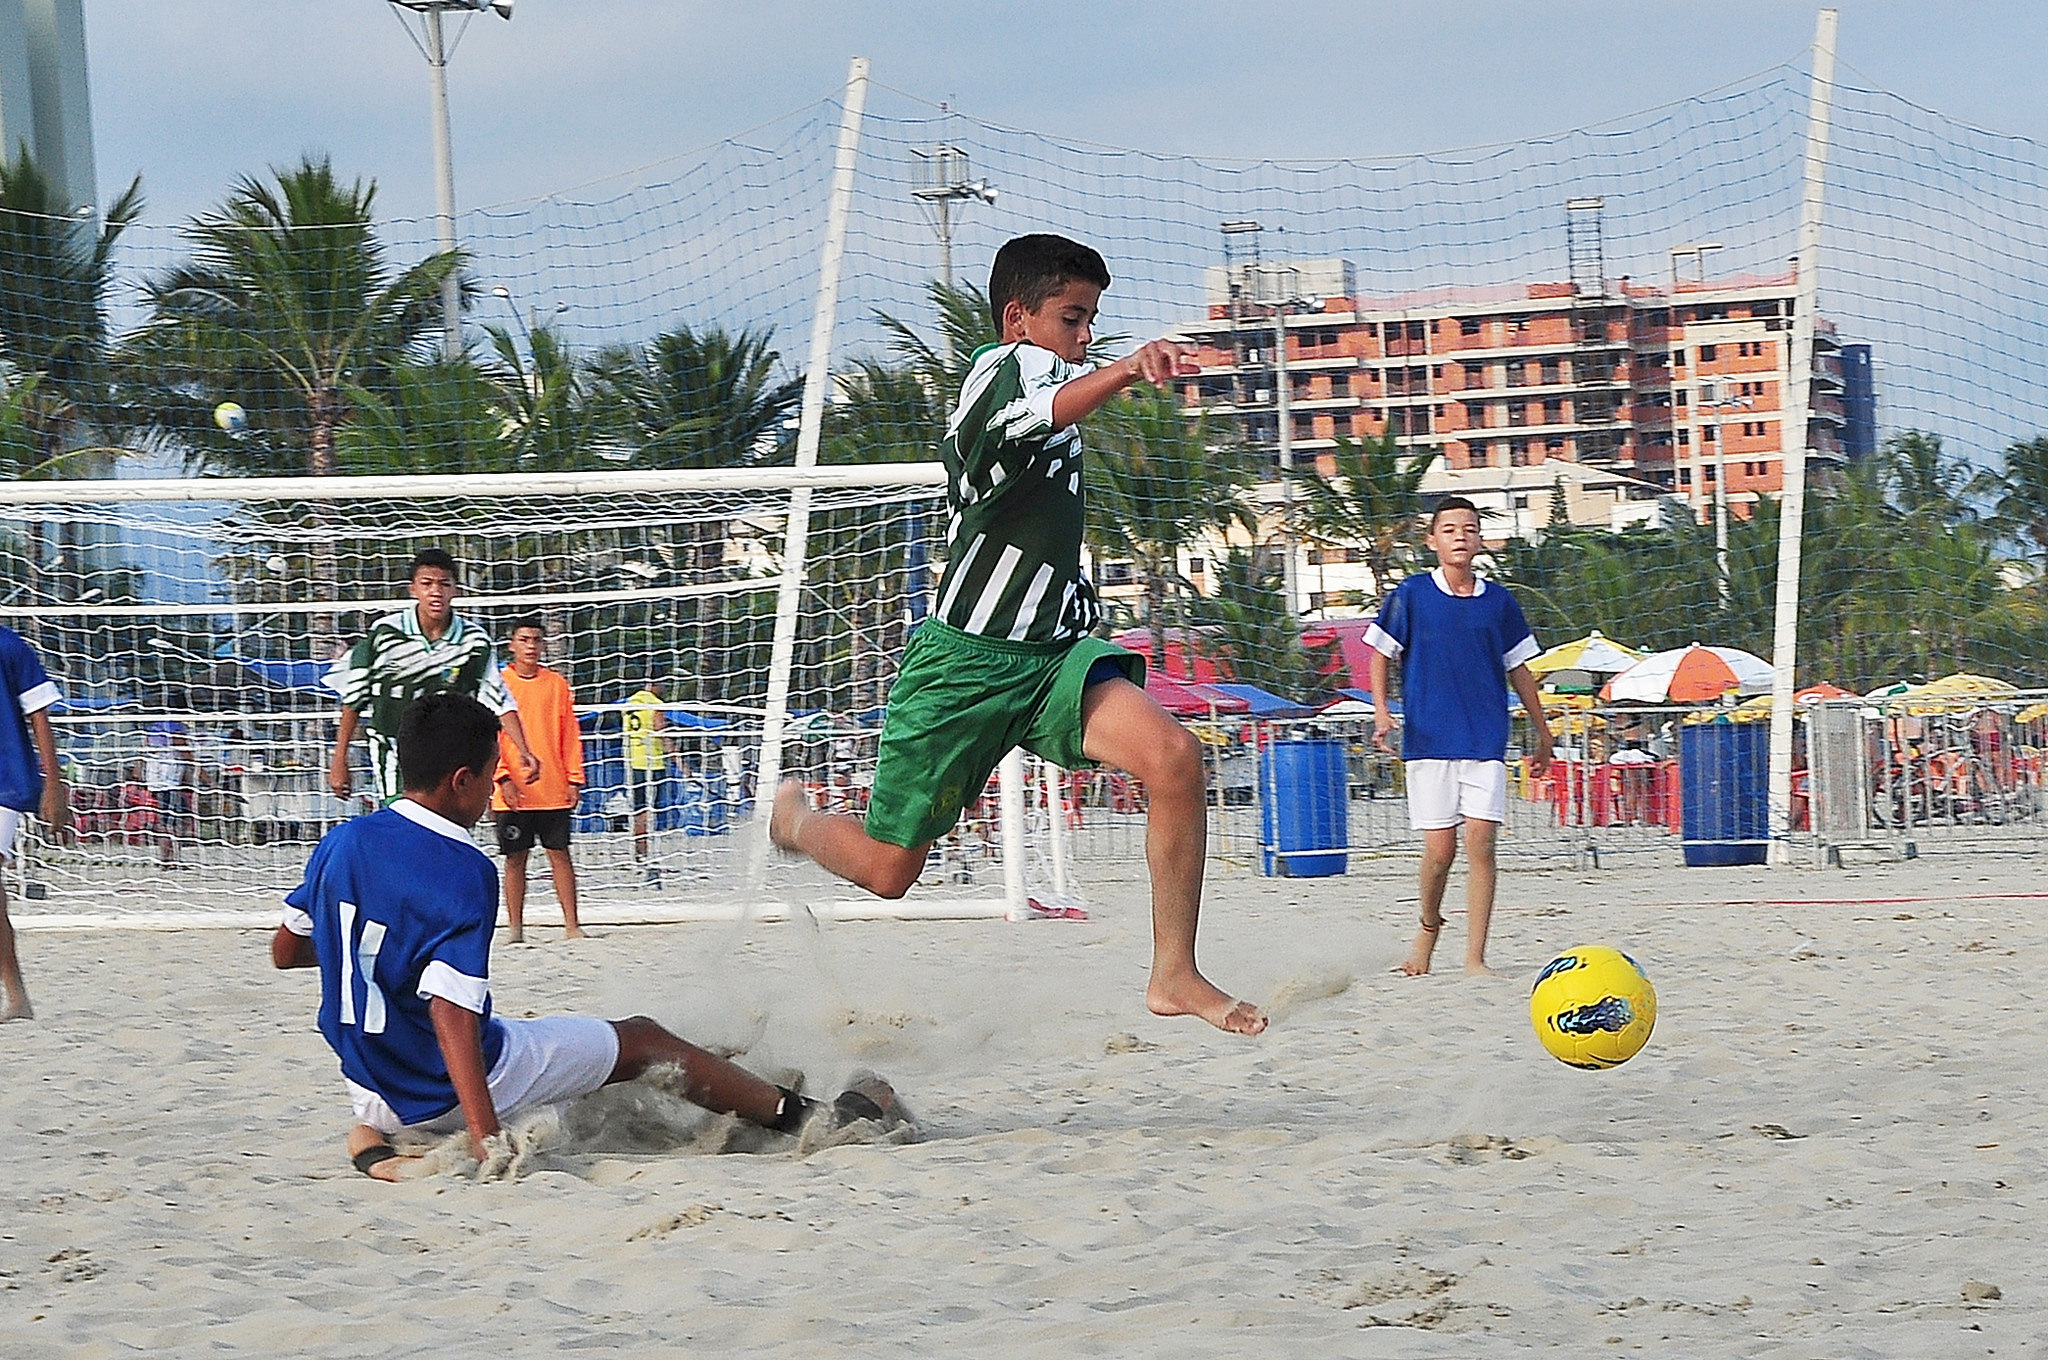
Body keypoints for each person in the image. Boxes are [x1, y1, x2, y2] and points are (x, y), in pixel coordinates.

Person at [769, 233, 1265, 1036]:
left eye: (1093, 322)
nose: (1084, 336)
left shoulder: (1049, 384)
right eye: (1072, 318)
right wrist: (1133, 366)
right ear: (1018, 317)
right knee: (892, 872)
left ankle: (1174, 972)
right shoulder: (1001, 372)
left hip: (1050, 658)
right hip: (961, 667)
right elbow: (1054, 399)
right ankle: (794, 820)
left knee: (1176, 759)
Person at [271, 691, 905, 1181]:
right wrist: (487, 1139)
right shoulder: (461, 865)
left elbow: (286, 951)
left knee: (552, 1040)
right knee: (643, 1039)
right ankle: (812, 1120)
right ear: (460, 780)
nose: (500, 785)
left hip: (373, 1088)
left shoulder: (343, 841)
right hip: (443, 1087)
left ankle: (375, 1153)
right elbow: (451, 1013)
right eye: (493, 774)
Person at [1368, 496, 1555, 978]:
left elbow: (1520, 670)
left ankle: (1475, 957)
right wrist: (1383, 711)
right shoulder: (1411, 595)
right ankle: (1428, 927)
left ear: (1479, 540)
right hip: (1429, 741)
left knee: (1482, 845)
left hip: (1485, 741)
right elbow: (1380, 654)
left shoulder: (1499, 602)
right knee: (1440, 852)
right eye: (1449, 529)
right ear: (1432, 540)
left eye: (1469, 529)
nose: (1460, 536)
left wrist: (1543, 732)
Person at [327, 548, 542, 807]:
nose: (436, 592)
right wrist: (339, 760)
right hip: (395, 750)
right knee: (405, 819)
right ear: (413, 589)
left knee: (444, 824)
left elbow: (499, 700)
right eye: (427, 584)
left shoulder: (474, 642)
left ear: (455, 590)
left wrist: (524, 750)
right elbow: (353, 698)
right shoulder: (385, 635)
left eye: (444, 584)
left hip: (451, 752)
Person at [492, 616, 586, 943]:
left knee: (559, 854)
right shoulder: (498, 684)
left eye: (536, 640)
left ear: (543, 645)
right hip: (512, 791)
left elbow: (570, 735)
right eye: (524, 639)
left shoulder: (557, 685)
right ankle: (515, 929)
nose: (530, 646)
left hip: (553, 788)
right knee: (515, 859)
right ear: (512, 645)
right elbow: (491, 738)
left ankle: (572, 926)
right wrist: (502, 777)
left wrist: (574, 778)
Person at [0, 626, 70, 1021]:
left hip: (5, 781)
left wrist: (54, 786)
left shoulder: (9, 646)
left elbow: (39, 715)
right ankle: (18, 996)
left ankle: (15, 993)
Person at [621, 678, 669, 884]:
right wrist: (680, 761)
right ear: (655, 685)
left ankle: (640, 854)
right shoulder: (655, 704)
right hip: (653, 762)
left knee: (639, 811)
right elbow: (660, 732)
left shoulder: (630, 703)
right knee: (648, 813)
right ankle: (648, 856)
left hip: (633, 762)